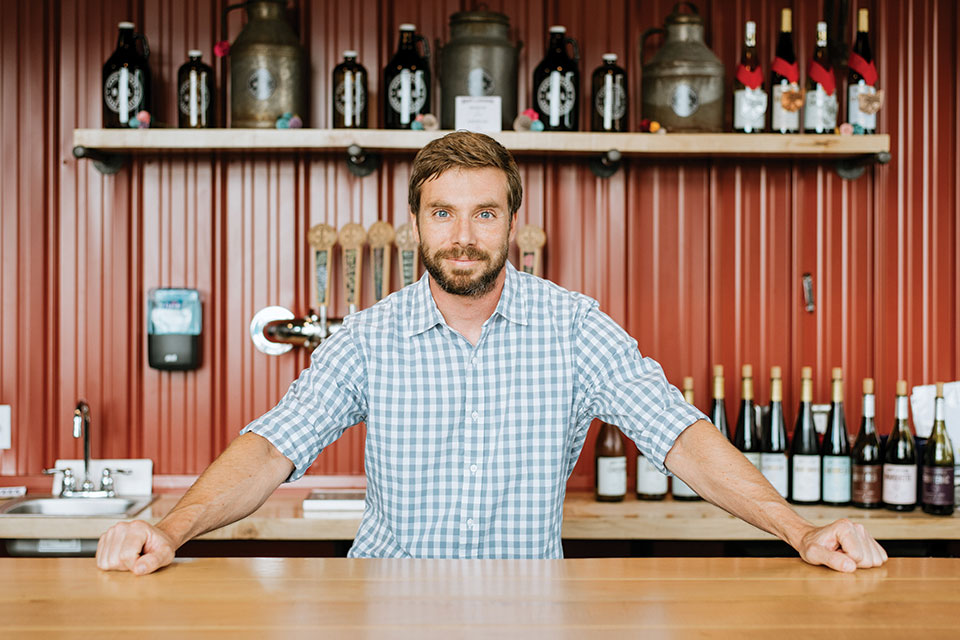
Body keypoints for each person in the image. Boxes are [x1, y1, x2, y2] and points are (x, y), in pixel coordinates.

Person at [97, 131, 886, 574]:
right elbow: (272, 446)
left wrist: (801, 530)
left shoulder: (575, 327)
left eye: (483, 214)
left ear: (513, 222)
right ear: (415, 224)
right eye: (443, 213)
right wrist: (170, 528)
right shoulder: (370, 336)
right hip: (385, 608)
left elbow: (679, 435)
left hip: (531, 612)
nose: (464, 236)